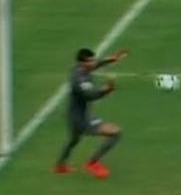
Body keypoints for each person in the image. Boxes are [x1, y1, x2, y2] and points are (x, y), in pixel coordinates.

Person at [55, 47, 128, 178]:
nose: (93, 63)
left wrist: (111, 59)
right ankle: (92, 163)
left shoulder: (80, 69)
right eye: (90, 61)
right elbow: (90, 95)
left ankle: (60, 166)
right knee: (115, 132)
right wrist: (106, 90)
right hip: (81, 119)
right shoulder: (79, 80)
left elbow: (97, 64)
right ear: (82, 63)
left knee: (74, 139)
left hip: (73, 114)